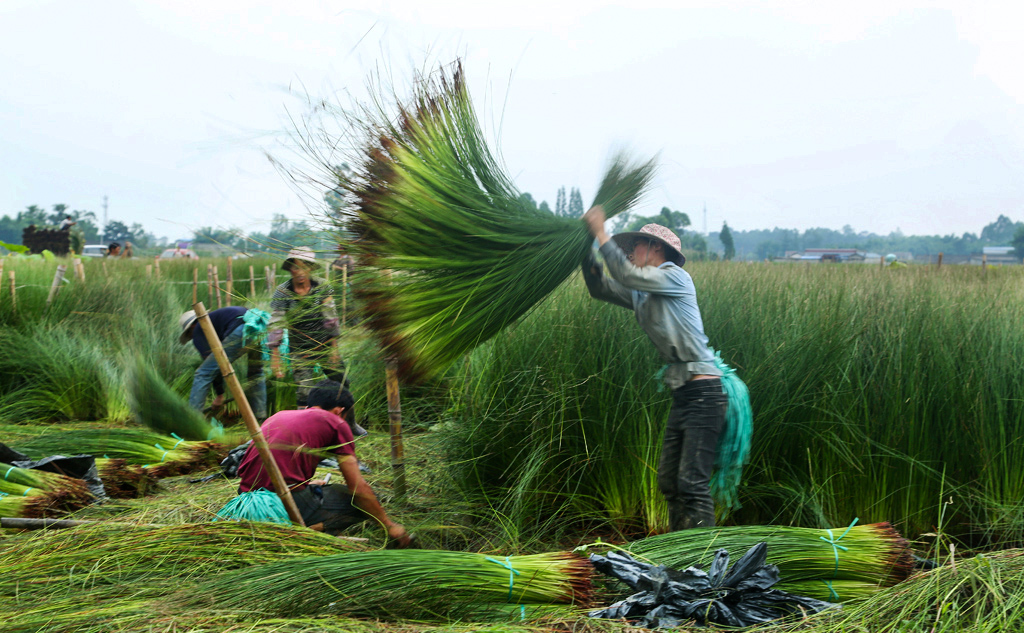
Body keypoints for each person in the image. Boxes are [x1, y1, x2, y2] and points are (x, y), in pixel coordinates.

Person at [582, 206, 728, 531]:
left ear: (655, 248)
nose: (629, 253)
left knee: (691, 483)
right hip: (685, 393)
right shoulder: (643, 291)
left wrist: (601, 232)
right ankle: (678, 550)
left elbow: (626, 274)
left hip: (705, 394)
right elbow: (600, 287)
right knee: (668, 481)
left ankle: (704, 555)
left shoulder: (674, 277)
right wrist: (583, 247)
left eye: (634, 246)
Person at [236, 380, 411, 544]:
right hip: (283, 503)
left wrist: (307, 485)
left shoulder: (278, 416)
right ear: (339, 411)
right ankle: (316, 528)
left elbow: (270, 470)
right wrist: (389, 525)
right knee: (364, 501)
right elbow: (358, 488)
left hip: (245, 500)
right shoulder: (336, 423)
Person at [268, 247, 345, 408]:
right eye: (296, 267)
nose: (300, 272)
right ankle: (305, 420)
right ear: (290, 269)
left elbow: (331, 319)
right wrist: (275, 357)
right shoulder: (283, 292)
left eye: (305, 267)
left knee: (341, 382)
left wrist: (333, 349)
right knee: (304, 392)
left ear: (310, 268)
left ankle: (345, 419)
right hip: (300, 349)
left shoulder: (322, 286)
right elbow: (276, 324)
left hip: (324, 343)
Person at [179, 306, 267, 420]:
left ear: (192, 326)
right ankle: (260, 417)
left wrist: (220, 395)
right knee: (256, 373)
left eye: (189, 334)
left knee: (202, 374)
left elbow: (213, 368)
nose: (192, 337)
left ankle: (193, 419)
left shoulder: (199, 329)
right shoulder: (217, 319)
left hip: (241, 329)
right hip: (259, 327)